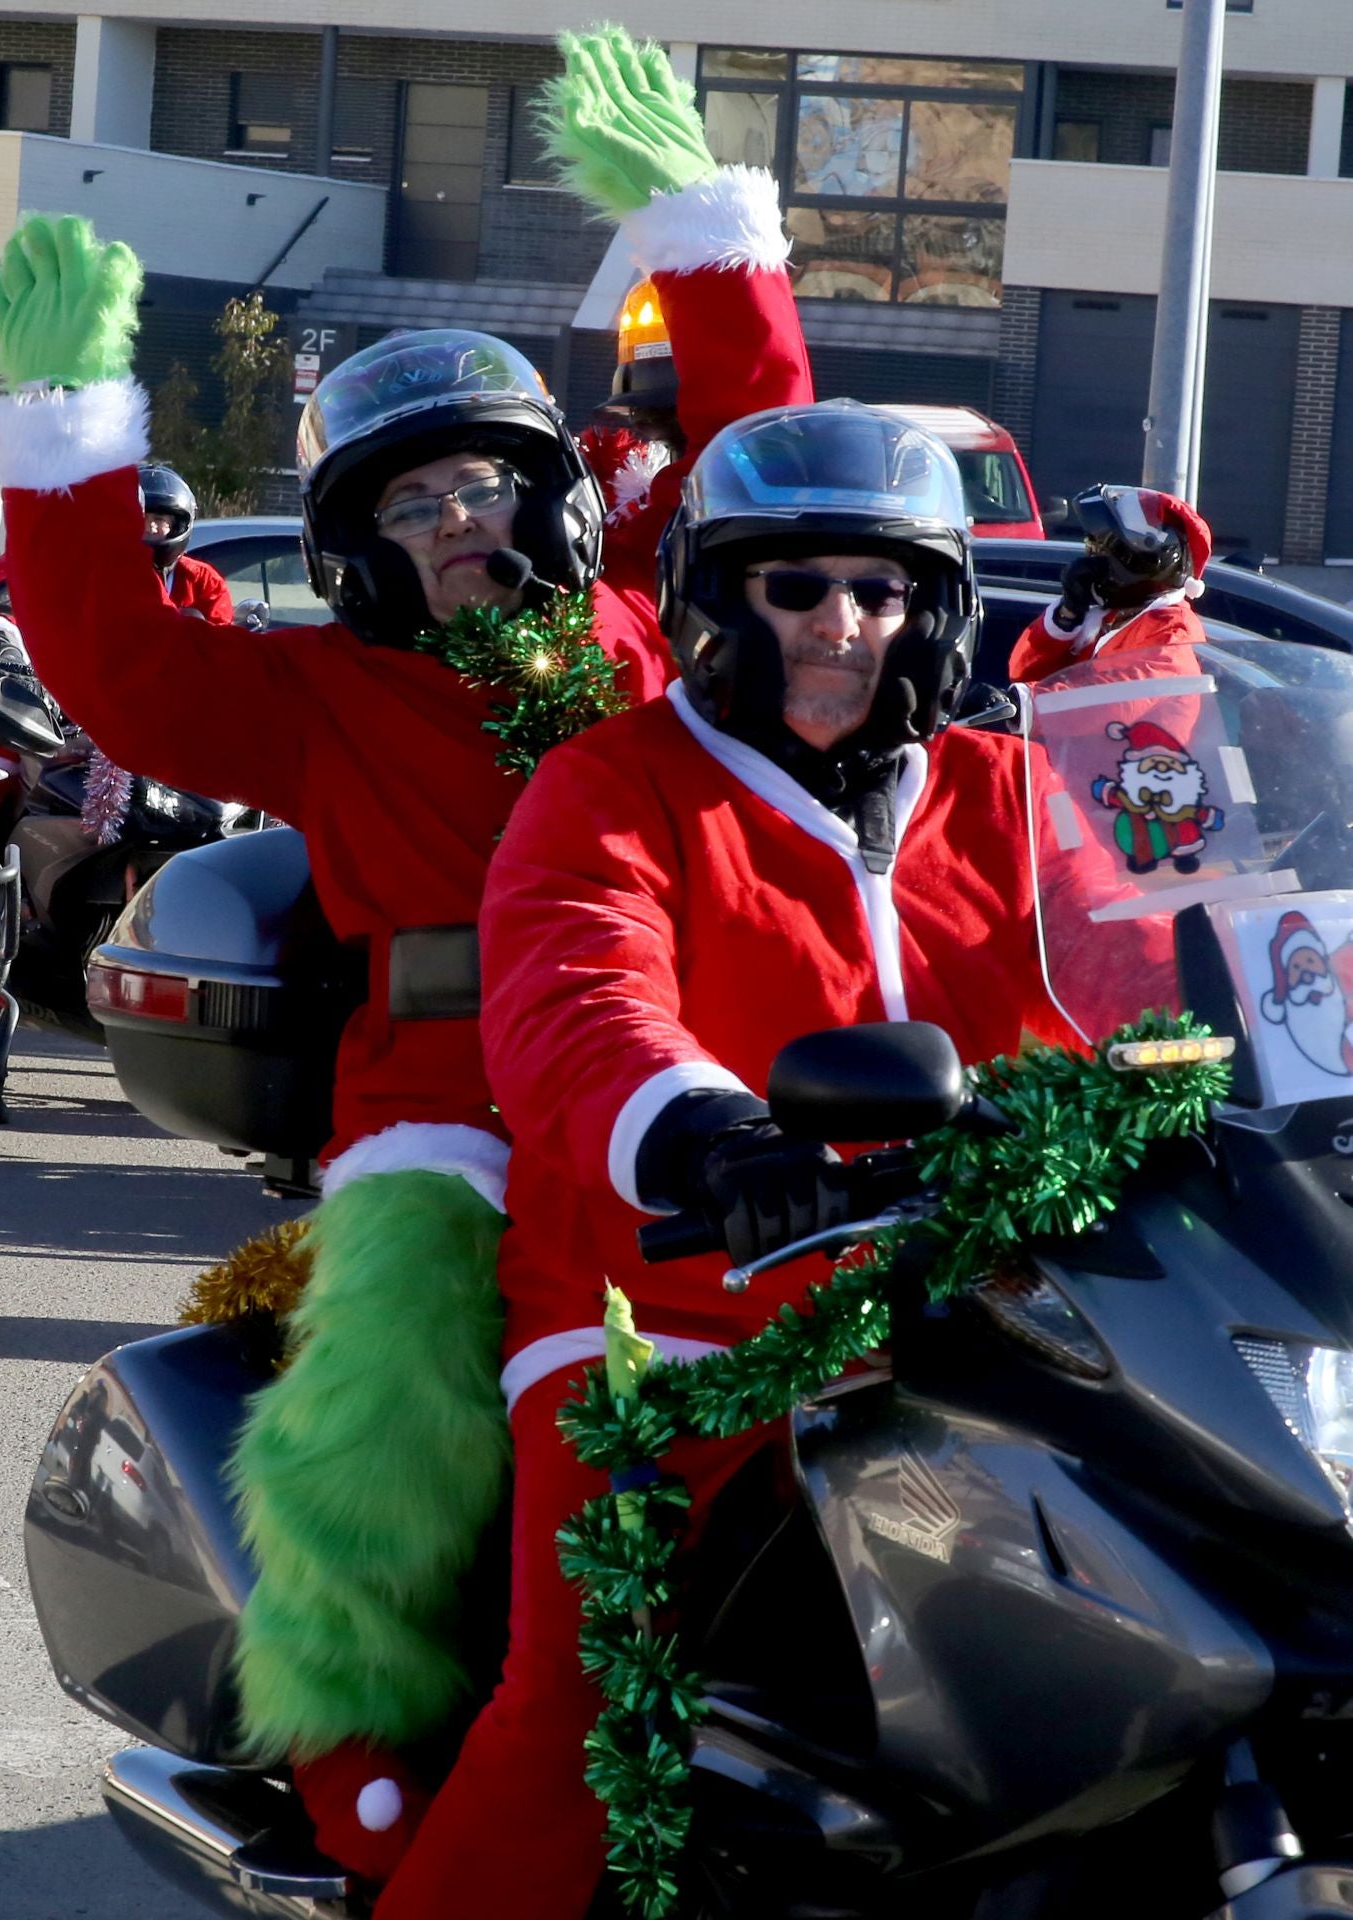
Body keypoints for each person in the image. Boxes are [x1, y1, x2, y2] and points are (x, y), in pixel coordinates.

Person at [0, 25, 812, 1896]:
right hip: (448, 1116)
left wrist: (701, 237)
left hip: (691, 1092)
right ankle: (372, 1810)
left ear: (564, 496)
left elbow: (768, 454)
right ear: (357, 551)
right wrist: (69, 423)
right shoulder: (316, 696)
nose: (463, 526)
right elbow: (114, 661)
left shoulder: (649, 627)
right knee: (387, 1427)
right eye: (416, 506)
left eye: (492, 487)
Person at [474, 401, 1089, 1920]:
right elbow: (577, 990)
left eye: (880, 591)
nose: (842, 624)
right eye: (796, 586)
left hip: (991, 1313)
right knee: (591, 1694)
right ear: (715, 599)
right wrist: (704, 1129)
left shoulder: (1009, 798)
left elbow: (1150, 961)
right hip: (671, 1314)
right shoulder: (616, 785)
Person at [1009, 482, 1210, 685]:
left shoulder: (1173, 632)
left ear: (1138, 561)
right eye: (1090, 548)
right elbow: (1023, 671)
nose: (1090, 561)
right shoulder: (1115, 617)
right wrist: (1068, 614)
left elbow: (1110, 699)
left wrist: (1024, 703)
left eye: (1099, 551)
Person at [138, 463, 234, 621]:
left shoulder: (203, 581)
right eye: (142, 518)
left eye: (159, 519)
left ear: (177, 525)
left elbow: (222, 638)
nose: (150, 527)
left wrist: (192, 625)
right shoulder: (107, 573)